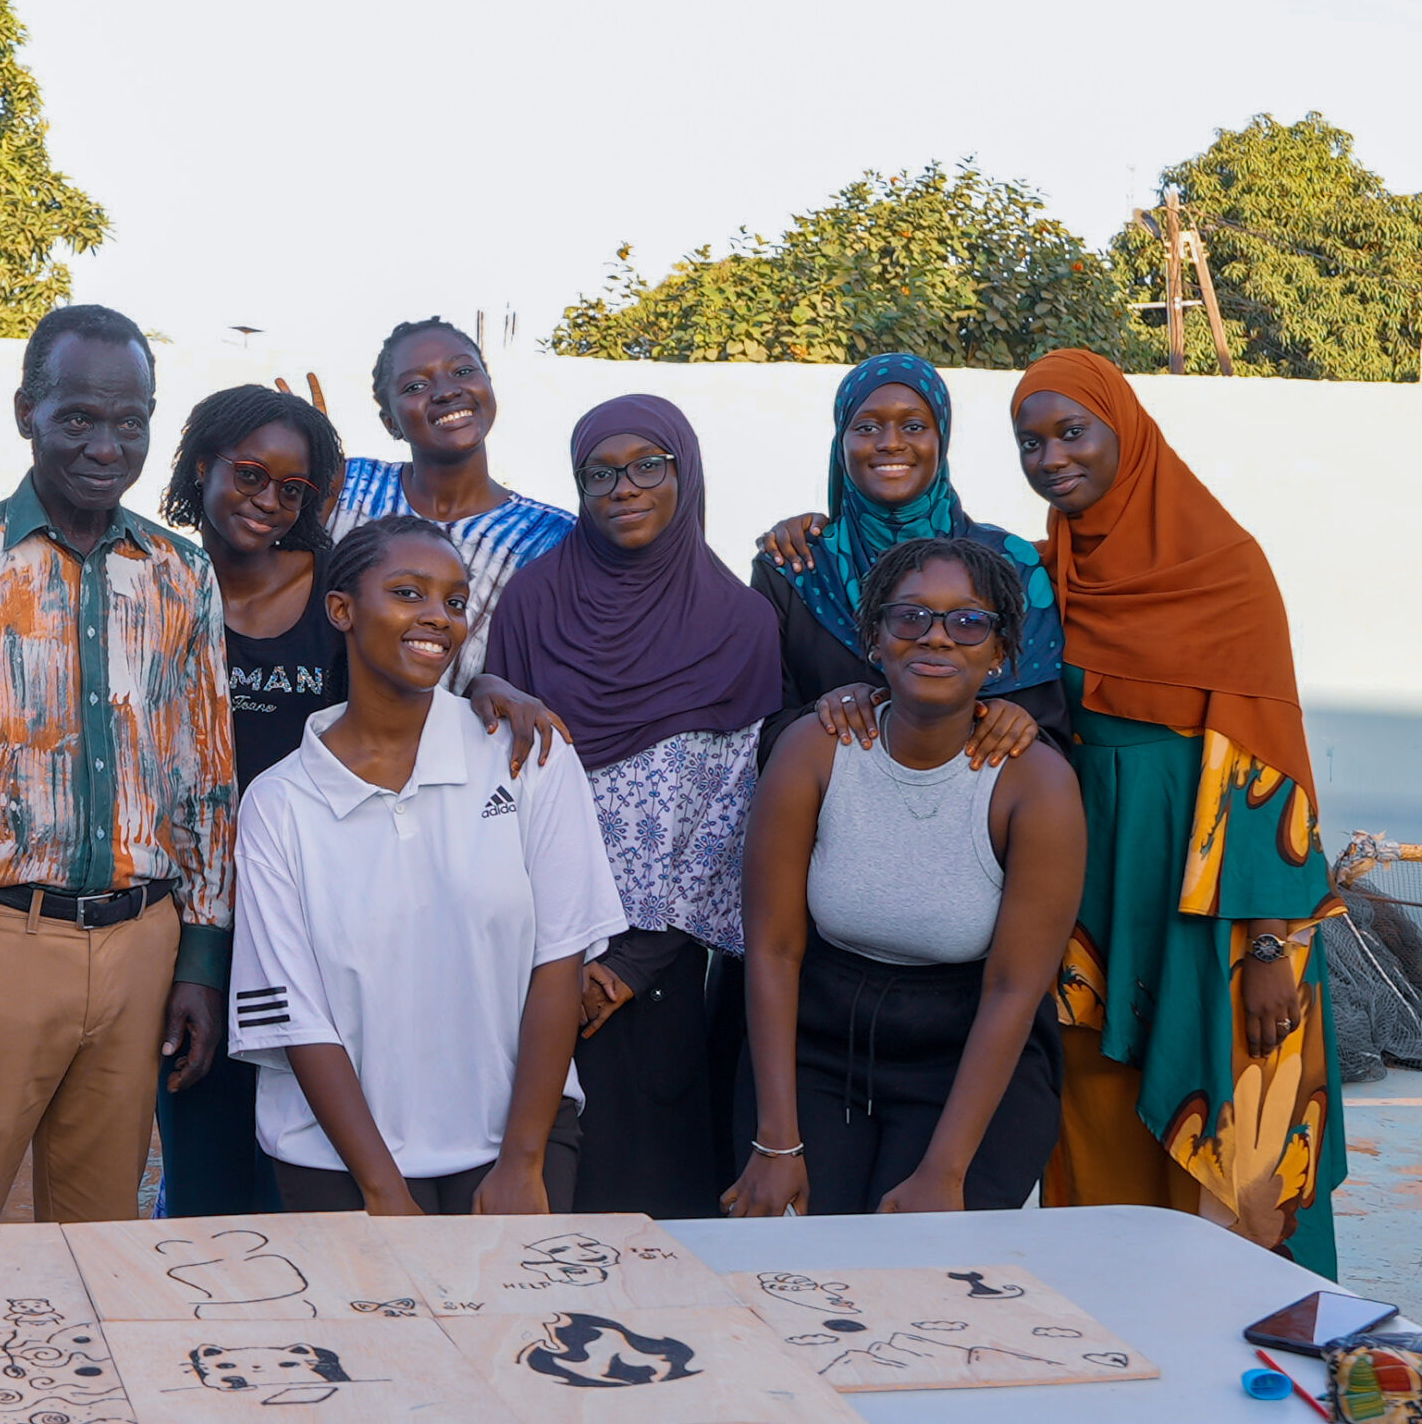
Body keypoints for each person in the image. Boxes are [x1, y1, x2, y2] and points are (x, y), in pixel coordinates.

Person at [155, 387, 575, 1218]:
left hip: (348, 886)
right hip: (205, 911)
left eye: (295, 489)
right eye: (248, 474)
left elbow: (414, 660)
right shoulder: (155, 588)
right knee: (215, 1173)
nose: (268, 499)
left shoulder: (329, 593)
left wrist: (488, 682)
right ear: (201, 465)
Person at [0, 304, 235, 1225]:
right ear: (25, 414)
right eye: (78, 416)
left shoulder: (181, 573)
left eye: (131, 421)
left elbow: (207, 771)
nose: (106, 444)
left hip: (142, 946)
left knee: (102, 1242)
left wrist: (201, 954)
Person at [1013, 349, 1347, 1275]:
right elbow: (921, 574)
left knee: (1236, 1137)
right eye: (1029, 442)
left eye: (1070, 432)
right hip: (1093, 899)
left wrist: (1271, 944)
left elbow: (1265, 765)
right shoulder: (1046, 580)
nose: (1050, 458)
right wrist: (807, 524)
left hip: (1222, 908)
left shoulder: (1224, 569)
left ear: (1126, 431)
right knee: (1095, 1127)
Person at [228, 515, 625, 1215]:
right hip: (336, 1160)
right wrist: (382, 1189)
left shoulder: (529, 756)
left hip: (515, 1151)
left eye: (454, 600)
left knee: (520, 1329)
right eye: (409, 593)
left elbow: (558, 962)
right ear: (342, 609)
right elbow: (297, 1016)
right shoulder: (278, 803)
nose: (437, 618)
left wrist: (521, 1161)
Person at [482, 395, 784, 1219]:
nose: (624, 487)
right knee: (525, 1197)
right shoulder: (533, 604)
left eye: (648, 464)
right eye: (600, 473)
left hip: (654, 980)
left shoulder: (742, 624)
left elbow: (729, 826)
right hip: (529, 959)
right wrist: (559, 959)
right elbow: (496, 781)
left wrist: (624, 968)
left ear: (684, 471)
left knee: (644, 1210)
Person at [724, 537, 1084, 1218]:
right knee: (799, 1262)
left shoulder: (1037, 786)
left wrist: (945, 1173)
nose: (937, 637)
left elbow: (1014, 988)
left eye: (968, 621)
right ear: (875, 639)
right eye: (910, 617)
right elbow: (772, 947)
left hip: (968, 1055)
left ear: (1001, 652)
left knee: (923, 1276)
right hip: (820, 1044)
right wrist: (776, 1142)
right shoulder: (814, 749)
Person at [753, 352, 1068, 769]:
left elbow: (1051, 734)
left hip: (977, 818)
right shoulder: (797, 568)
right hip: (827, 814)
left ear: (942, 439)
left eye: (914, 426)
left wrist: (1017, 723)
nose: (890, 442)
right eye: (866, 427)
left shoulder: (1012, 567)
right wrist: (821, 715)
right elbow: (758, 731)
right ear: (841, 442)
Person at [327, 318, 574, 689]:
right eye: (416, 385)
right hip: (327, 734)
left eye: (463, 371)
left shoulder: (552, 537)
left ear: (489, 385)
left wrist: (488, 685)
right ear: (390, 422)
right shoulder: (348, 488)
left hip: (473, 742)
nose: (446, 391)